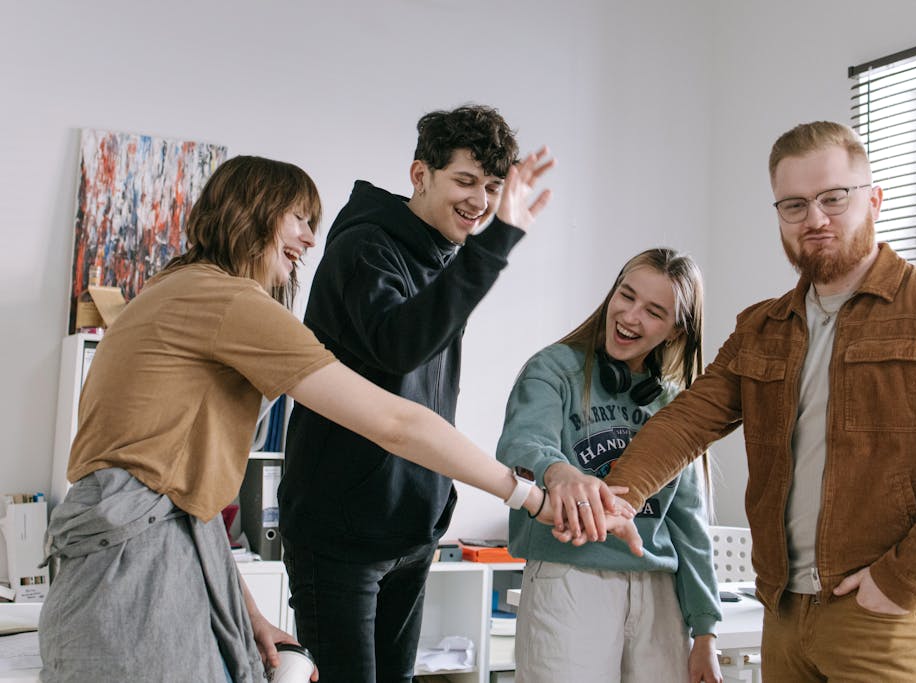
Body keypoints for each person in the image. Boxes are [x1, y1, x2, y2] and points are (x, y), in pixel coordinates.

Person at [38, 155, 637, 683]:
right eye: (298, 218)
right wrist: (528, 496)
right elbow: (395, 423)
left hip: (136, 543)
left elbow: (179, 499)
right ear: (253, 209)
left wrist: (247, 616)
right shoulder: (227, 300)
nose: (307, 239)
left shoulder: (174, 289)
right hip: (132, 558)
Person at [602, 121, 916, 681]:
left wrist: (902, 578)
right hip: (782, 613)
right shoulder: (762, 326)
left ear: (874, 199)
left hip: (885, 615)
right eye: (794, 205)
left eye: (833, 198)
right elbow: (686, 422)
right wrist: (617, 496)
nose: (815, 219)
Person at [278, 104, 560, 683]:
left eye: (491, 187)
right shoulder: (365, 248)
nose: (480, 201)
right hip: (342, 537)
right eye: (464, 180)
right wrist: (499, 242)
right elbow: (399, 346)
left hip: (411, 532)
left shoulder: (442, 257)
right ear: (419, 176)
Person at [496, 248, 724, 683]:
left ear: (676, 330)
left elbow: (689, 526)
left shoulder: (674, 403)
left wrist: (705, 633)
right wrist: (559, 473)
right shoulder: (554, 369)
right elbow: (523, 442)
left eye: (654, 311)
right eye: (626, 295)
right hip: (571, 578)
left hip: (658, 590)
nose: (631, 316)